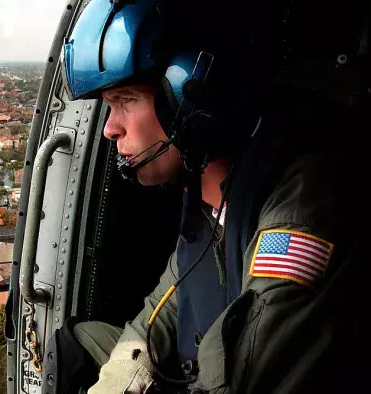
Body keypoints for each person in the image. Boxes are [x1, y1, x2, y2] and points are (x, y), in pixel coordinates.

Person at [49, 0, 370, 392]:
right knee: (74, 344)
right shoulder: (203, 193)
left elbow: (245, 370)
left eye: (127, 100)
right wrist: (121, 374)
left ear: (192, 95)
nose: (110, 129)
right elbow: (169, 298)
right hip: (196, 370)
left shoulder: (301, 200)